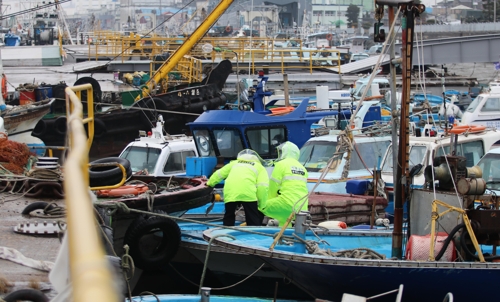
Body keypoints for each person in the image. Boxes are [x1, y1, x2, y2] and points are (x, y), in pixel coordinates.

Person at [207, 149, 268, 226]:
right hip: (248, 193)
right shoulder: (260, 167)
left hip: (231, 192)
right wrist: (261, 205)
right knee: (253, 218)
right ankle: (254, 236)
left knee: (229, 216)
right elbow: (262, 187)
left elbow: (218, 174)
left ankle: (225, 235)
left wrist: (209, 184)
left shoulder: (233, 163)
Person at [261, 141, 309, 226]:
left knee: (260, 206)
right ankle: (287, 233)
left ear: (285, 152)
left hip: (286, 205)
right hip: (302, 207)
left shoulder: (281, 164)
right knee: (285, 220)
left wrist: (267, 202)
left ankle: (256, 229)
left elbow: (273, 186)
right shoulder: (302, 168)